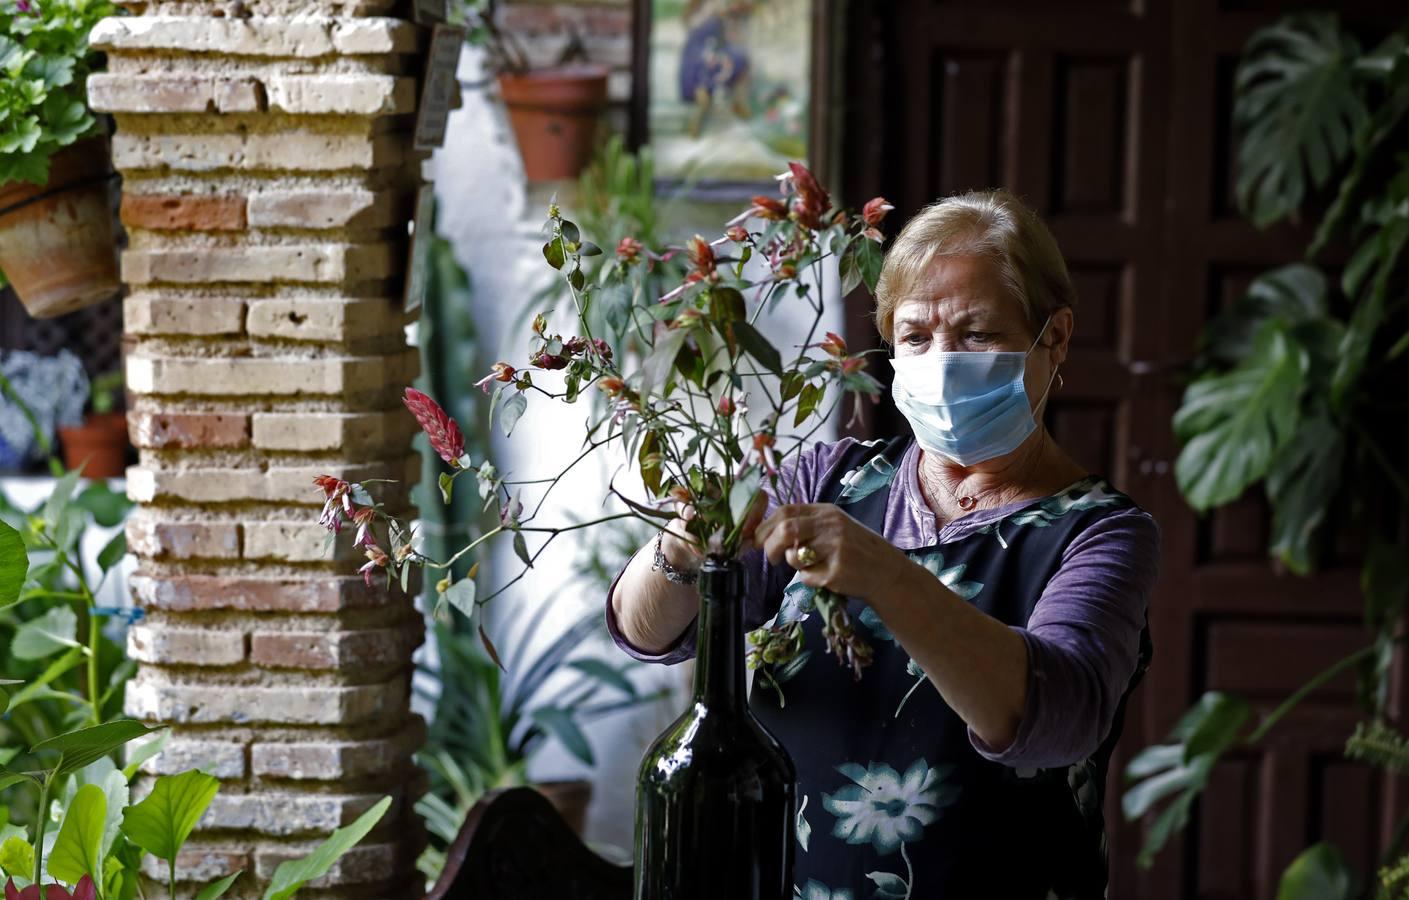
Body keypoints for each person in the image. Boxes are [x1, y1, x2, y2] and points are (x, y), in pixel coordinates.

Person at [607, 190, 1159, 899]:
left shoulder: (1097, 533)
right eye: (915, 337)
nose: (940, 361)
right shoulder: (827, 478)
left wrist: (885, 575)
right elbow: (650, 632)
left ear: (1052, 339)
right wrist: (686, 543)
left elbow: (1053, 723)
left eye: (976, 334)